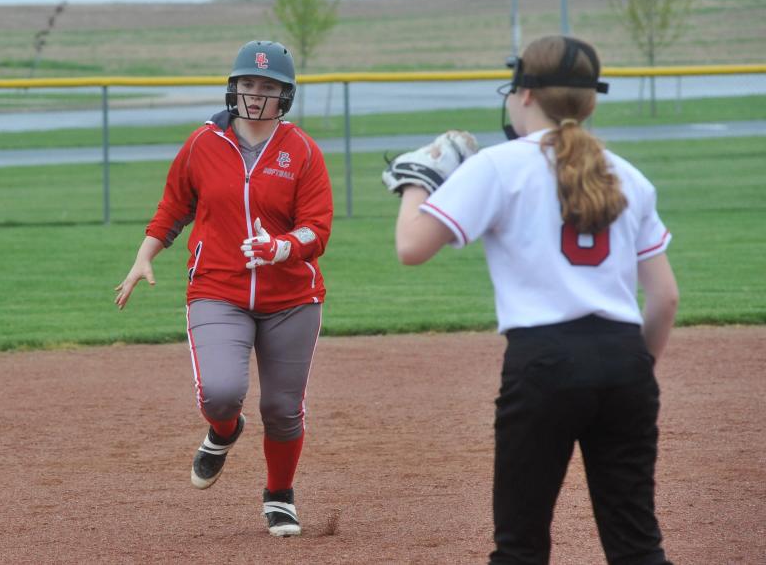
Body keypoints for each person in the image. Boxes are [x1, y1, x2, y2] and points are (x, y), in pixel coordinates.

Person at [382, 35, 679, 564]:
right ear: (588, 102)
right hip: (624, 360)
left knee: (520, 547)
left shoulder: (499, 166)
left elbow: (410, 247)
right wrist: (632, 370)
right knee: (637, 545)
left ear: (523, 95)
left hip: (544, 363)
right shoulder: (628, 175)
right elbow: (665, 299)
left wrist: (417, 181)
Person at [114, 40, 332, 537]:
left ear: (286, 95)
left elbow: (317, 228)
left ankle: (279, 496)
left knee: (281, 408)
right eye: (249, 83)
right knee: (222, 392)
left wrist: (280, 247)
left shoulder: (302, 151)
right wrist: (143, 257)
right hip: (218, 289)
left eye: (269, 86)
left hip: (292, 299)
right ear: (233, 88)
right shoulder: (202, 143)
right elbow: (174, 206)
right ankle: (223, 431)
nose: (257, 94)